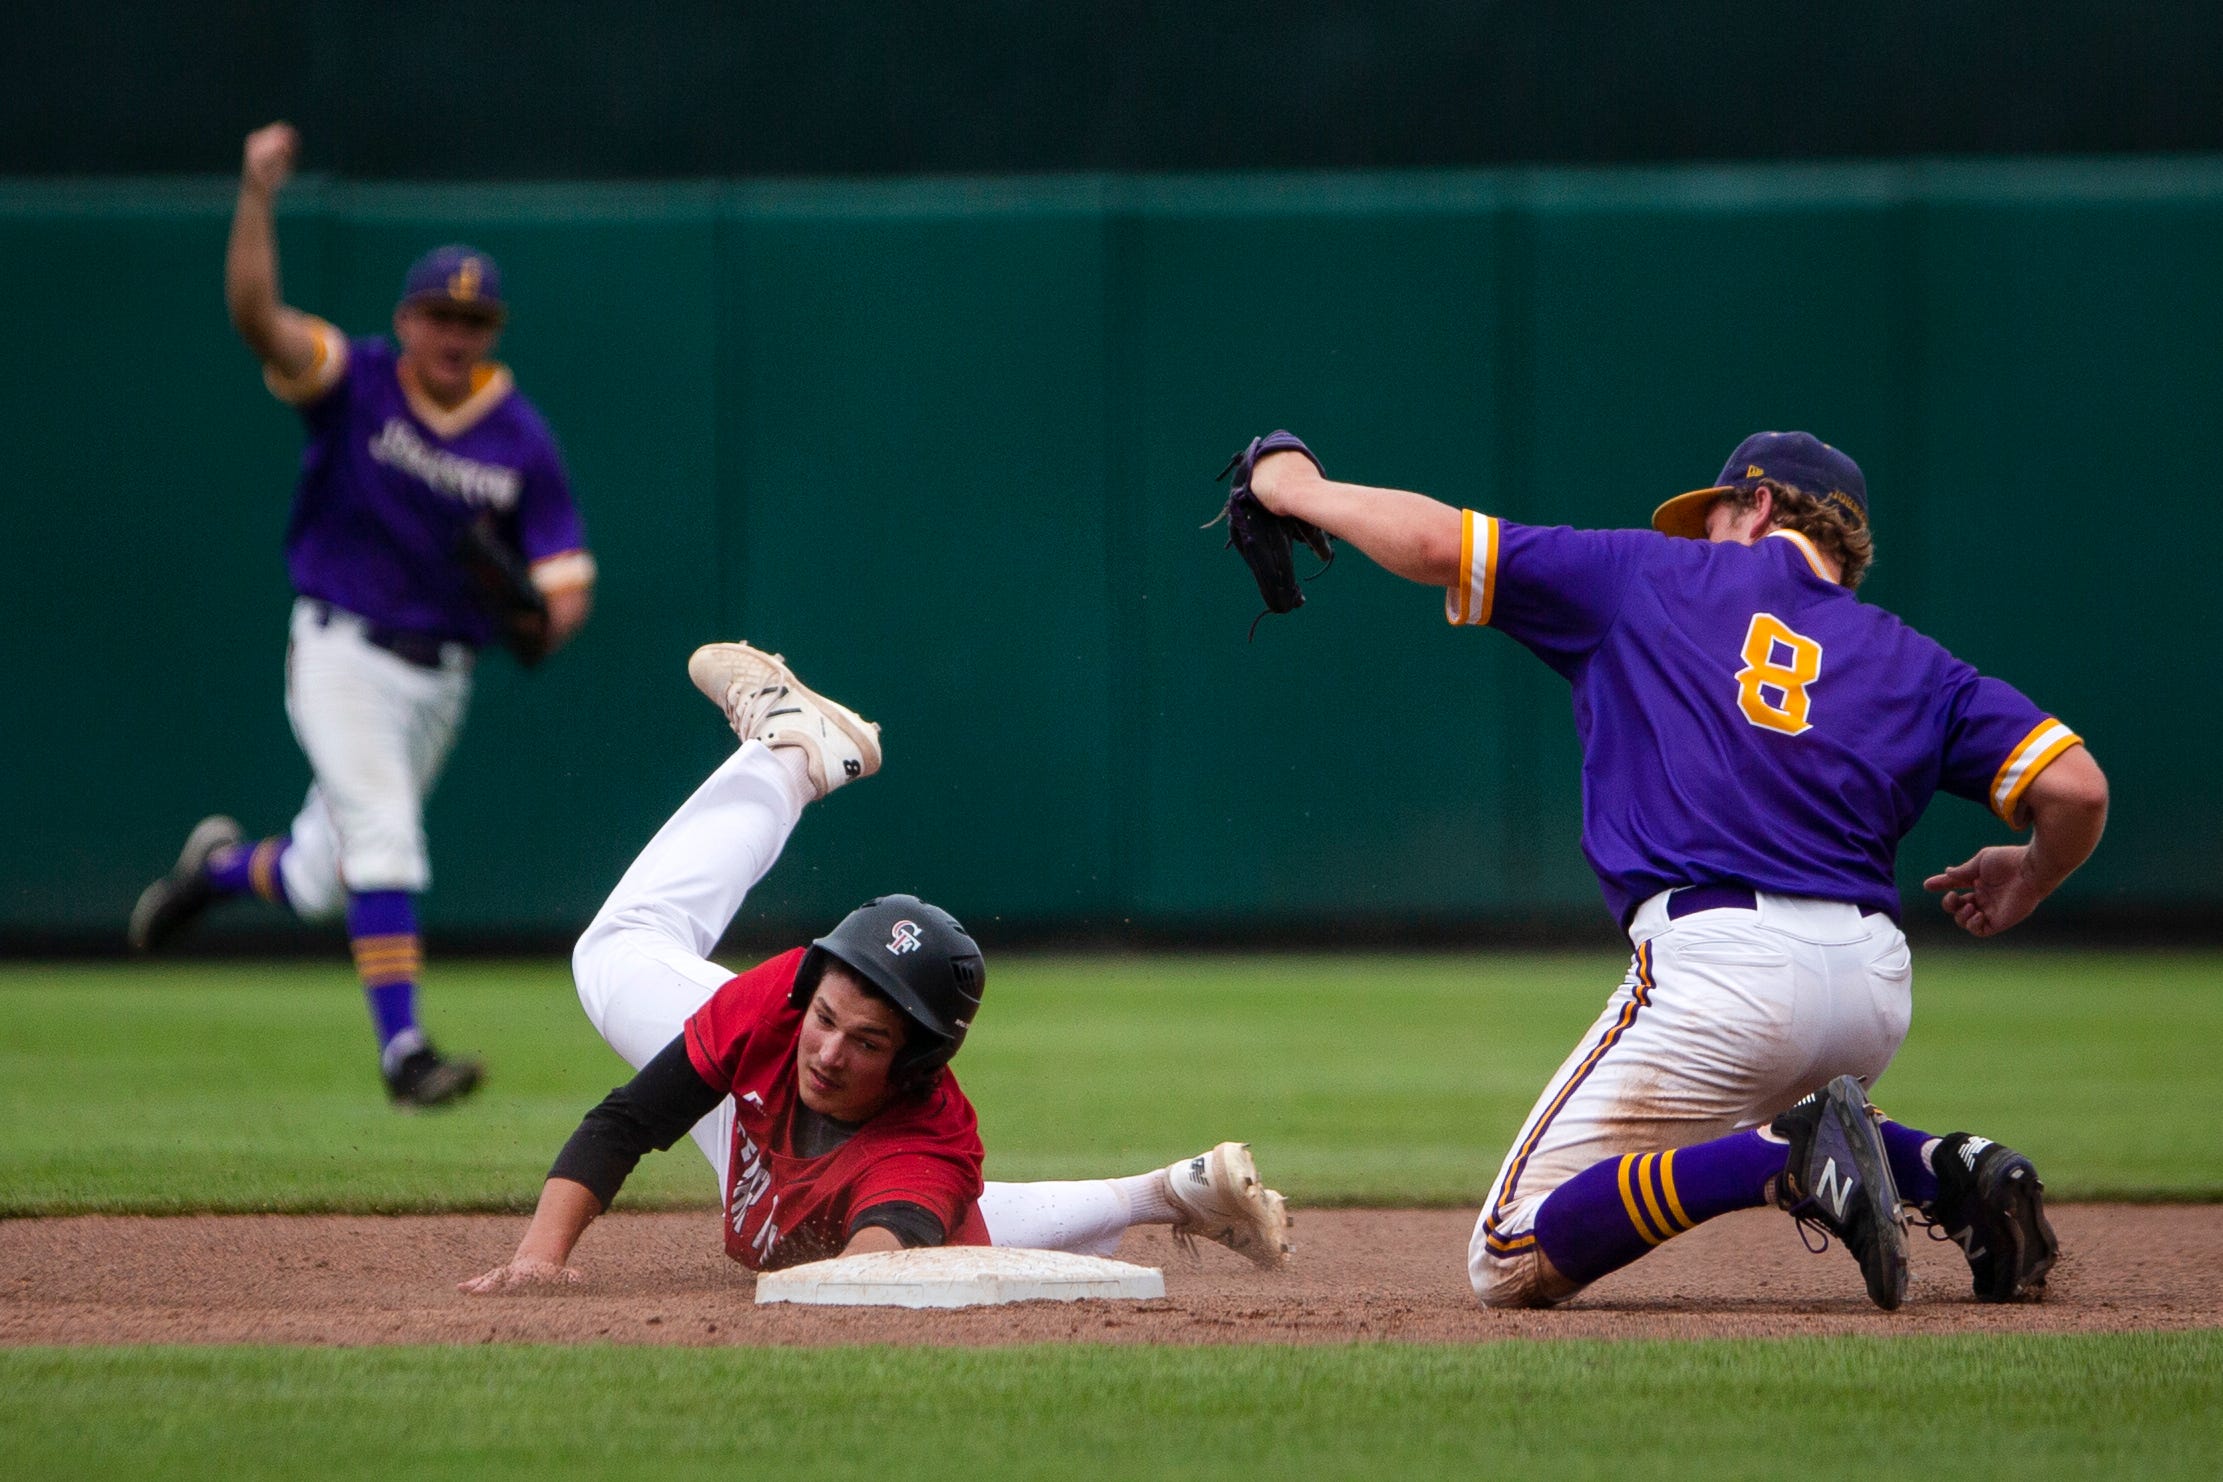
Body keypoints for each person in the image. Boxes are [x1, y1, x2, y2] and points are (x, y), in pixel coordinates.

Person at [1222, 428, 2106, 1310]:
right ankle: (1951, 1172)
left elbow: (1431, 542)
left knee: (1505, 1252)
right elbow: (2076, 789)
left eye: (1712, 515)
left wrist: (1295, 486)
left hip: (1722, 971)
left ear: (1758, 504)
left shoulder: (1646, 574)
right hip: (1871, 992)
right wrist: (2029, 873)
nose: (1697, 536)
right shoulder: (1918, 663)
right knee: (1809, 1101)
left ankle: (1785, 1161)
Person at [462, 642, 1291, 1288]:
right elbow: (627, 1122)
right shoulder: (782, 1008)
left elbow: (865, 1272)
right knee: (613, 949)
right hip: (752, 1103)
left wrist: (863, 1267)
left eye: (865, 1041)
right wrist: (540, 1259)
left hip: (850, 1165)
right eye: (826, 1017)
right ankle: (791, 751)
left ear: (914, 1064)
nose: (828, 1048)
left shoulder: (918, 1154)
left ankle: (1171, 1192)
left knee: (934, 1226)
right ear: (807, 990)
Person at [126, 122, 597, 1108]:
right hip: (339, 648)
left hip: (440, 680)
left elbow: (566, 578)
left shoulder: (520, 437)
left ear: (491, 334)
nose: (453, 335)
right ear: (407, 318)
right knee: (385, 833)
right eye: (436, 316)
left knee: (321, 877)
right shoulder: (358, 379)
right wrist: (255, 193)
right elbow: (256, 315)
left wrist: (544, 614)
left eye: (472, 323)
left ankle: (216, 870)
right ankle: (404, 1053)